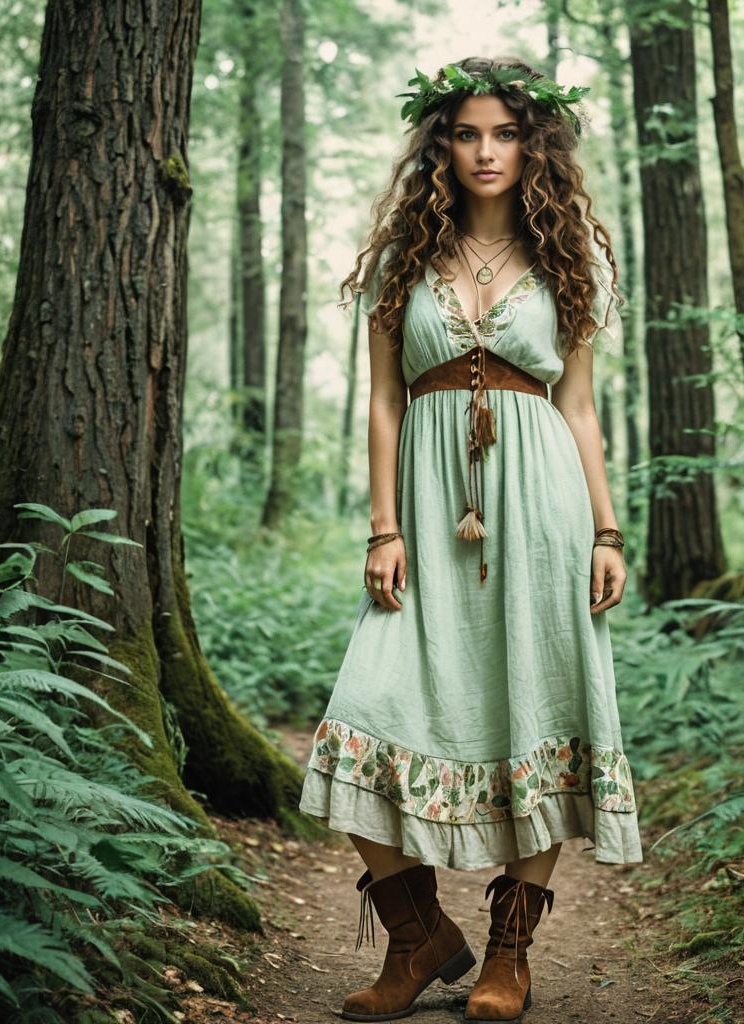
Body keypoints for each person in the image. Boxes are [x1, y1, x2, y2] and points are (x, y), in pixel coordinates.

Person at [297, 54, 644, 1024]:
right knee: (364, 703)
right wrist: (382, 526)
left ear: (532, 145)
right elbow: (379, 399)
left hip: (543, 511)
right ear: (439, 145)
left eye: (503, 133)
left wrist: (606, 530)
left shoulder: (569, 257)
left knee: (542, 705)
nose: (484, 150)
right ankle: (419, 940)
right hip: (424, 515)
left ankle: (508, 954)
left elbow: (577, 407)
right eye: (465, 132)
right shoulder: (400, 259)